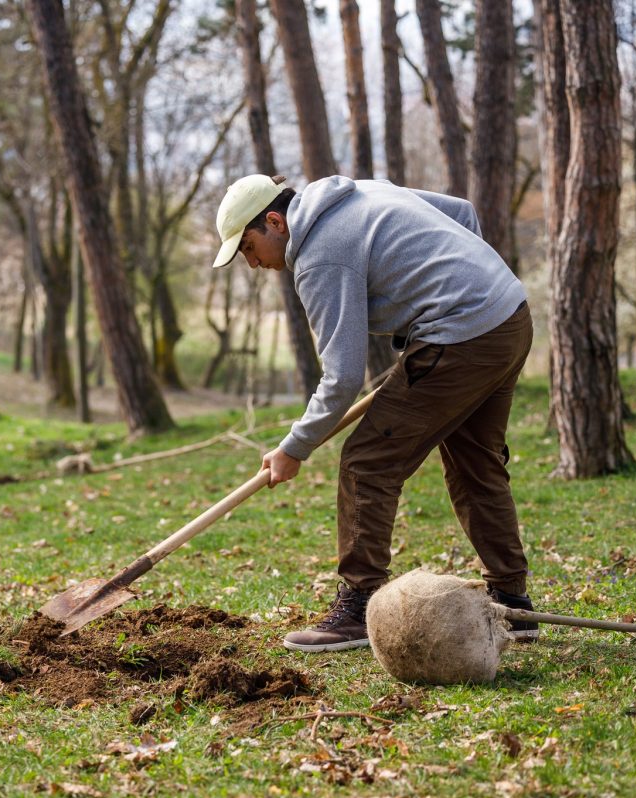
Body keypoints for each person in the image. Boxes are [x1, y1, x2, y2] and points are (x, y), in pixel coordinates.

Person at [211, 174, 537, 653]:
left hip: (462, 334)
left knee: (367, 462)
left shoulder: (319, 256)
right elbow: (462, 211)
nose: (254, 263)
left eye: (248, 248)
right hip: (508, 315)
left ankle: (358, 606)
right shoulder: (361, 191)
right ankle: (512, 602)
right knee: (475, 463)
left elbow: (342, 378)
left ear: (275, 222)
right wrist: (468, 285)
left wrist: (293, 448)